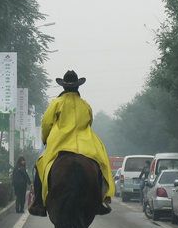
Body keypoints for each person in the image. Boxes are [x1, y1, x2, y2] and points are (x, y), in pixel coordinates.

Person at [29, 70, 115, 217]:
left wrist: (45, 139)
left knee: (41, 165)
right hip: (85, 143)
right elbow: (90, 122)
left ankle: (39, 203)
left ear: (63, 87)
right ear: (78, 87)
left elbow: (46, 124)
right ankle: (101, 199)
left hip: (60, 142)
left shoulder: (56, 103)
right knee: (101, 164)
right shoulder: (85, 105)